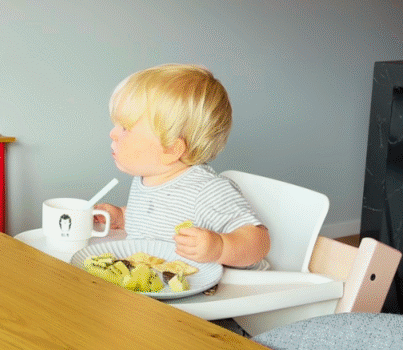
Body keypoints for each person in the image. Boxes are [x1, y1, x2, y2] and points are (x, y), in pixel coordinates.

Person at [94, 64, 271, 269]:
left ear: (170, 149)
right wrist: (121, 217)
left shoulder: (207, 190)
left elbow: (259, 242)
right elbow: (155, 224)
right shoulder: (146, 179)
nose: (113, 133)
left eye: (125, 128)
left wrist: (219, 247)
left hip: (223, 295)